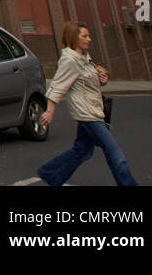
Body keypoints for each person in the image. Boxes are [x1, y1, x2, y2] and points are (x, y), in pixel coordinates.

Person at [37, 21, 138, 186]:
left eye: (88, 35)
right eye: (84, 36)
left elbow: (84, 83)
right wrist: (49, 111)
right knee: (115, 153)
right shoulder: (70, 60)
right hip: (88, 115)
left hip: (92, 110)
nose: (89, 39)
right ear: (73, 38)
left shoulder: (85, 58)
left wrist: (101, 81)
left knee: (82, 151)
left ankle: (50, 174)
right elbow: (57, 87)